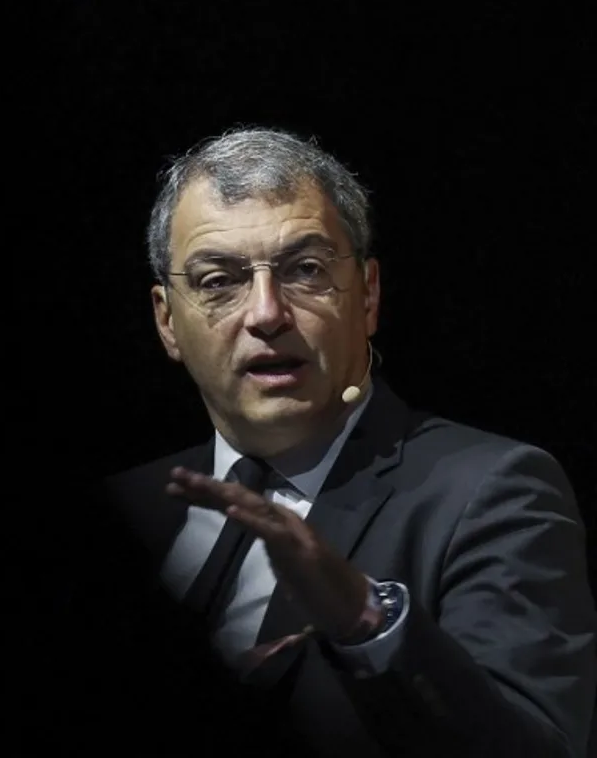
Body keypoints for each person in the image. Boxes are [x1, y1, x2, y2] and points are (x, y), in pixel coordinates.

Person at [57, 127, 597, 757]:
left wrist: (366, 620)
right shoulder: (126, 508)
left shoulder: (493, 492)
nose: (266, 313)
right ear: (167, 320)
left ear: (368, 295)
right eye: (219, 280)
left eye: (305, 270)